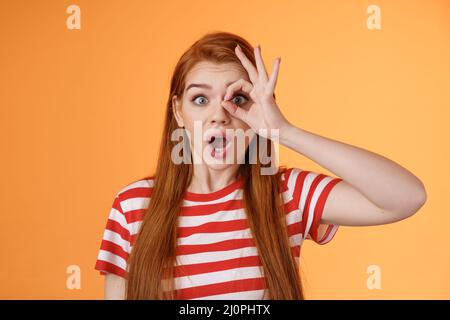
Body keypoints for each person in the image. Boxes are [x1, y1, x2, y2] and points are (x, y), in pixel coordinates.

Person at [94, 31, 427, 300]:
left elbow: (407, 197)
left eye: (237, 99)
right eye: (200, 99)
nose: (219, 115)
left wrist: (285, 133)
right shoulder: (133, 206)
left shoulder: (287, 194)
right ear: (179, 112)